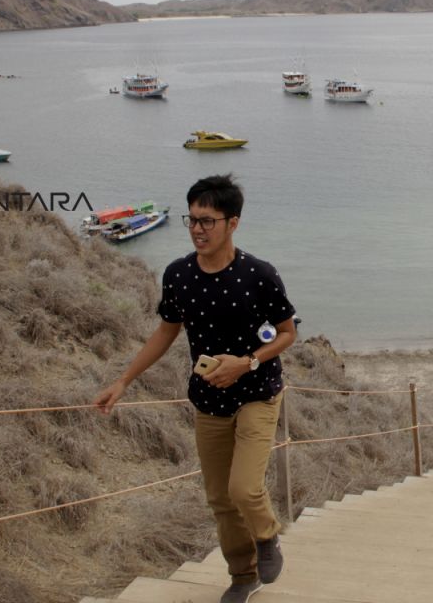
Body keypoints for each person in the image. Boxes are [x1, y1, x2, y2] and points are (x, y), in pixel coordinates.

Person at [94, 174, 297, 603]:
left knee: (244, 488)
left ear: (233, 223)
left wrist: (247, 362)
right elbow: (165, 332)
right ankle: (243, 577)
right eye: (193, 220)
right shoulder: (179, 275)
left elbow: (285, 333)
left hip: (258, 392)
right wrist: (123, 381)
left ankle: (267, 536)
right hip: (208, 400)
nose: (198, 229)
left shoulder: (258, 274)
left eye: (208, 220)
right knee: (221, 500)